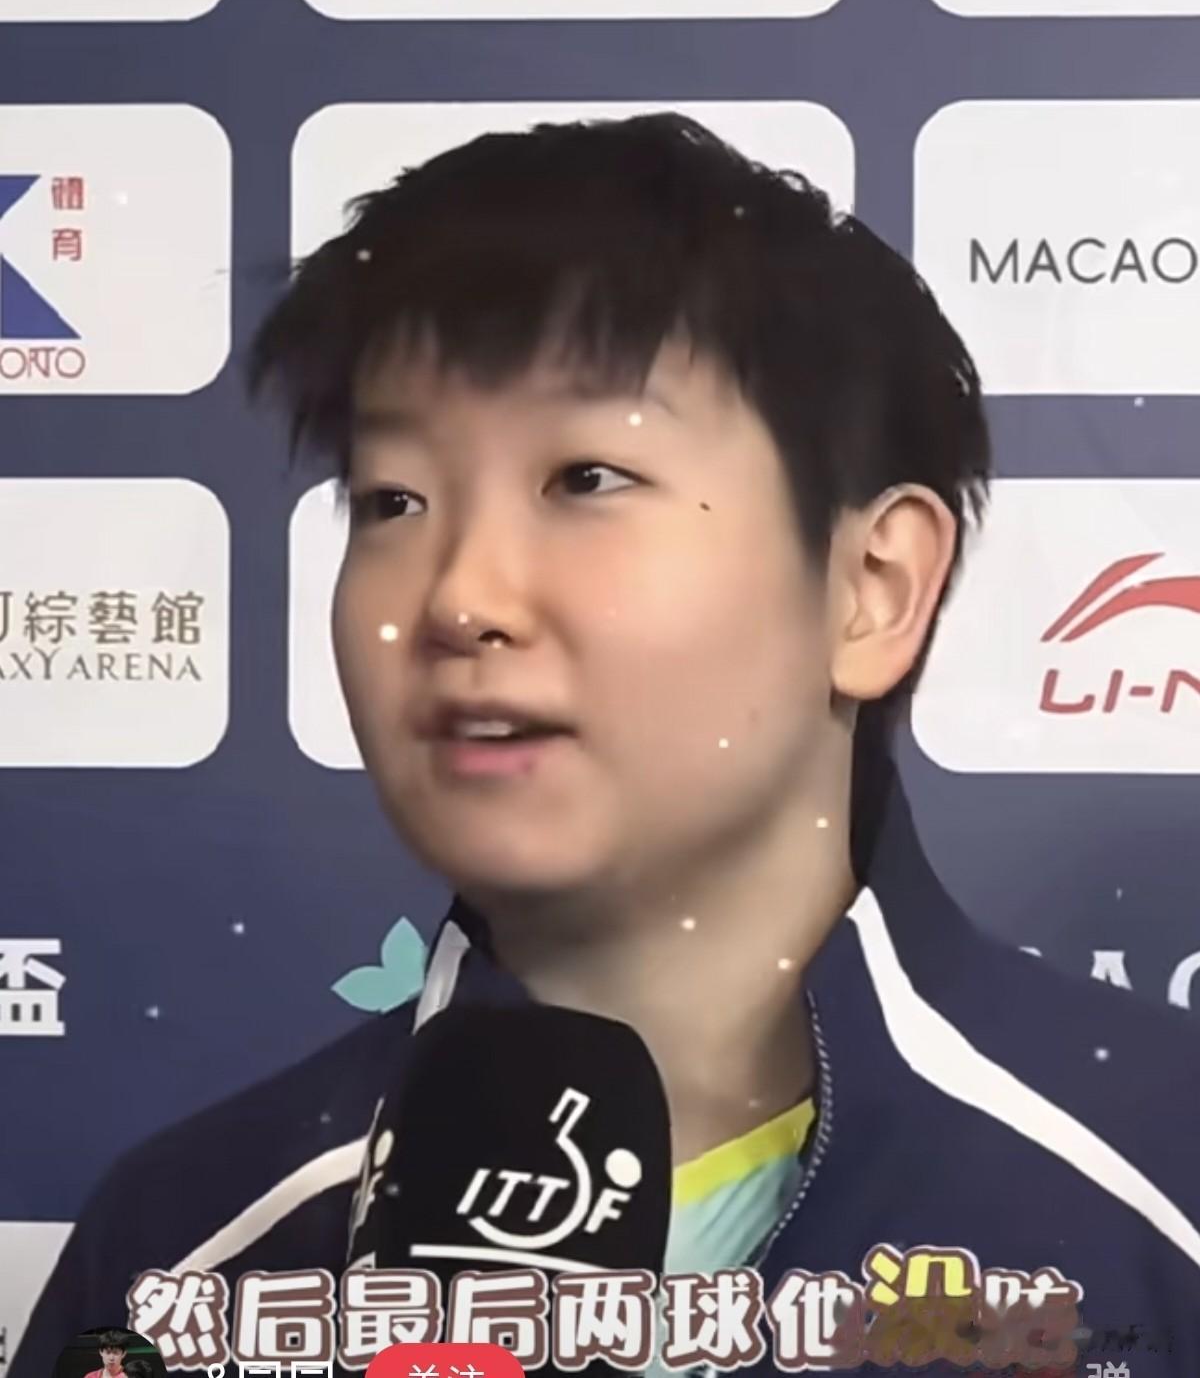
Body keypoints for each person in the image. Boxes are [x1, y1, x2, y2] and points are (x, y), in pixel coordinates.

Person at [12, 113, 1200, 1375]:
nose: (460, 596)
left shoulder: (1162, 1180)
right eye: (392, 500)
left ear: (871, 587)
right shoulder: (185, 1248)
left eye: (585, 478)